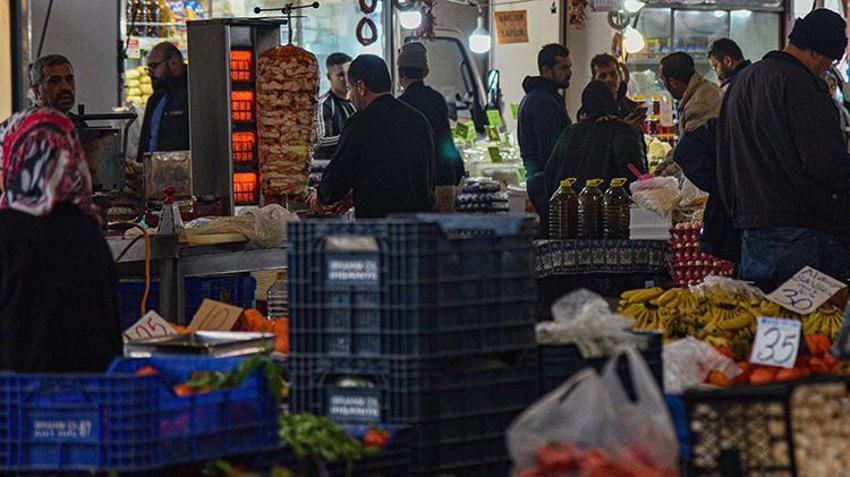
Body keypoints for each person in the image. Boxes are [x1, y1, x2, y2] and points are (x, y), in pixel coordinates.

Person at [717, 8, 850, 291]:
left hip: (751, 236)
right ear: (817, 51)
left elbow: (724, 158)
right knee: (811, 330)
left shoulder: (740, 84)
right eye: (830, 61)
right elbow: (827, 164)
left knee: (763, 327)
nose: (827, 69)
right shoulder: (803, 86)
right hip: (804, 237)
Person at [0, 108, 122, 372]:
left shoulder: (7, 230)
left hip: (21, 397)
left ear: (16, 156)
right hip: (92, 394)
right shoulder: (89, 229)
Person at [310, 54, 435, 219]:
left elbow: (338, 178)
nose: (350, 96)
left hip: (380, 228)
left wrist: (320, 197)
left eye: (351, 88)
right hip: (419, 227)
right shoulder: (418, 119)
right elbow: (412, 176)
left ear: (361, 87)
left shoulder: (360, 123)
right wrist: (355, 196)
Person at [544, 81, 646, 199]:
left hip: (570, 207)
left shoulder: (570, 132)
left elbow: (550, 172)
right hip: (610, 208)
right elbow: (634, 174)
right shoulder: (620, 131)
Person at [518, 44, 573, 236]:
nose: (569, 73)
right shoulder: (543, 102)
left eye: (569, 67)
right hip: (546, 183)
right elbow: (550, 150)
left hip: (543, 181)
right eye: (563, 68)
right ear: (546, 70)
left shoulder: (545, 97)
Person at [397, 42, 465, 188]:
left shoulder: (399, 104)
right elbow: (446, 140)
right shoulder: (437, 99)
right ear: (425, 71)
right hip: (440, 177)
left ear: (400, 74)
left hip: (412, 181)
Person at [137, 42, 189, 160]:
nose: (150, 73)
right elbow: (145, 142)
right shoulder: (155, 100)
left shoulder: (193, 95)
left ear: (173, 63)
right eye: (148, 68)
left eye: (154, 66)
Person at [660, 52, 721, 136]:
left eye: (663, 81)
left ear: (673, 83)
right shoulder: (706, 89)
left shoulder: (697, 106)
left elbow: (692, 147)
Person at [313, 53, 356, 163]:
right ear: (329, 77)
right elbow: (320, 141)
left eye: (349, 74)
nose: (346, 79)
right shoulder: (324, 105)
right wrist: (352, 137)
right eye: (341, 75)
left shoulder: (357, 103)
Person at [590, 54, 646, 130]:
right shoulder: (590, 111)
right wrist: (623, 129)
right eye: (603, 76)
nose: (609, 79)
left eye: (613, 74)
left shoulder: (629, 107)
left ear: (620, 76)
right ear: (594, 80)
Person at [29, 54, 85, 127]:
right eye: (55, 81)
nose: (65, 87)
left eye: (69, 79)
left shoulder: (77, 123)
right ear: (37, 91)